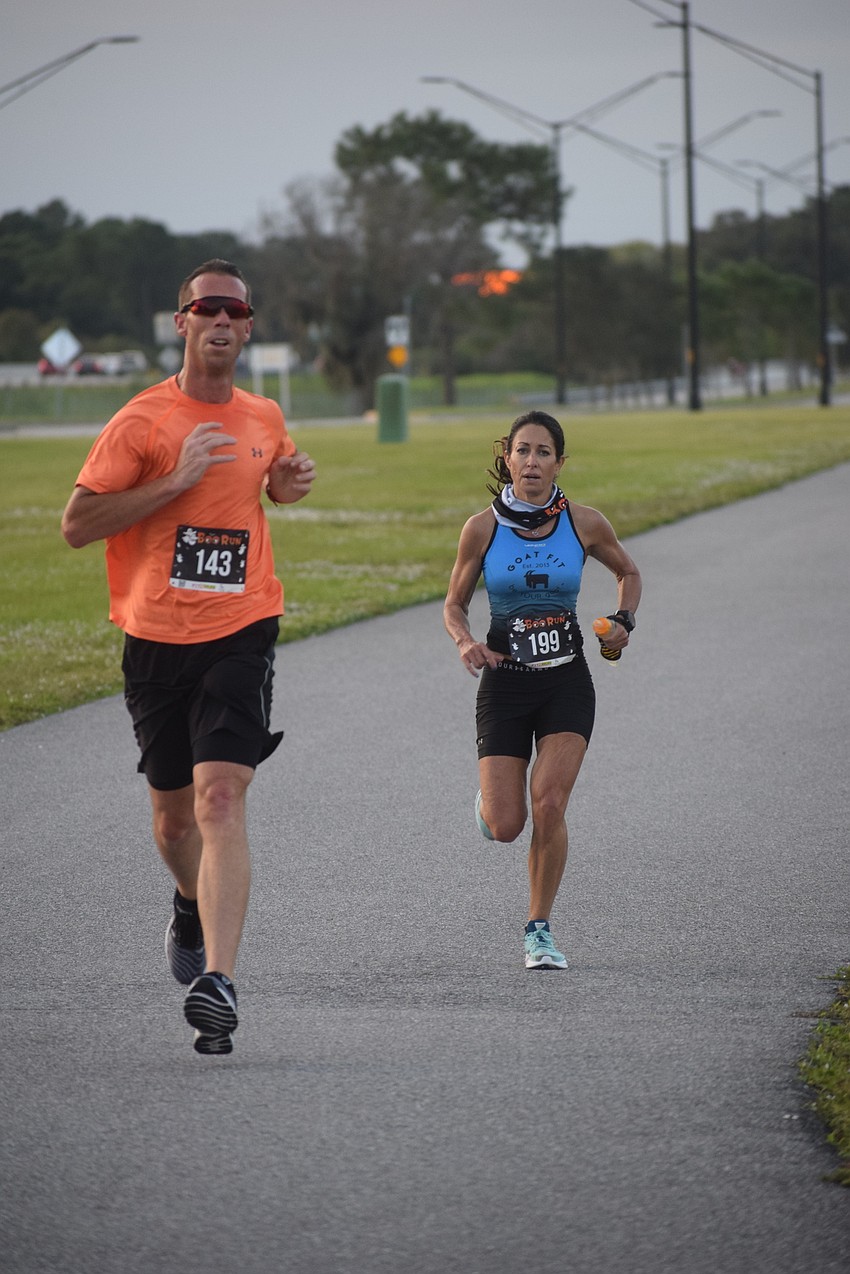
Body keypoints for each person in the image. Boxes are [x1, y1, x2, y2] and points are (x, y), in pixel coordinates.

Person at [61, 259, 316, 1054]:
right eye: (205, 309)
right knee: (174, 823)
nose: (220, 321)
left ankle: (222, 982)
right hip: (154, 640)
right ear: (182, 323)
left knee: (218, 802)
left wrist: (286, 483)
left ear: (247, 328)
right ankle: (188, 907)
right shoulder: (141, 422)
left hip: (242, 630)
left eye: (234, 312)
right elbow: (78, 523)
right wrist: (176, 480)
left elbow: (269, 483)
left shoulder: (264, 413)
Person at [443, 410, 641, 970]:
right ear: (507, 457)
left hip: (566, 682)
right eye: (523, 451)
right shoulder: (481, 528)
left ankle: (538, 930)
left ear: (559, 461)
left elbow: (629, 571)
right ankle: (489, 802)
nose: (532, 462)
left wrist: (623, 620)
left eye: (544, 452)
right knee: (508, 825)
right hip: (504, 684)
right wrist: (463, 642)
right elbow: (454, 604)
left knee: (549, 802)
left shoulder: (584, 522)